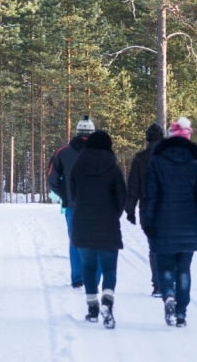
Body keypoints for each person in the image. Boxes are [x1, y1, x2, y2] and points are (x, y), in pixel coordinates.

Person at [141, 117, 197, 328]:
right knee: (183, 269)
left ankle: (168, 296)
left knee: (164, 266)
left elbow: (150, 195)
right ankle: (181, 313)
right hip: (190, 226)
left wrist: (148, 222)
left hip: (163, 224)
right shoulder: (195, 164)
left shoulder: (156, 161)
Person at [69, 130, 127, 329]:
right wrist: (113, 215)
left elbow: (73, 193)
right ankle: (107, 303)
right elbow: (122, 196)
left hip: (83, 224)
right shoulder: (113, 168)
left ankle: (92, 309)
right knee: (109, 268)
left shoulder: (78, 166)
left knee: (89, 268)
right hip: (108, 224)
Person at [47, 115, 98, 289]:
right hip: (96, 206)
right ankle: (93, 278)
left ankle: (78, 278)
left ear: (77, 132)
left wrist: (62, 193)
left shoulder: (63, 151)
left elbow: (51, 177)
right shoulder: (103, 152)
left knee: (75, 240)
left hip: (71, 204)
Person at [124, 122, 165, 297]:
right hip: (169, 208)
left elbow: (133, 187)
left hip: (147, 208)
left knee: (154, 246)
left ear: (147, 139)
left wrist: (130, 210)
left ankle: (158, 284)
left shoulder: (140, 158)